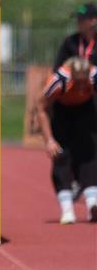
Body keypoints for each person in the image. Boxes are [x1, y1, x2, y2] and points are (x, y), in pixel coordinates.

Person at [35, 57, 97, 224]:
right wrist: (49, 140)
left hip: (86, 110)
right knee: (61, 156)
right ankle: (67, 209)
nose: (82, 87)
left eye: (85, 82)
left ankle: (93, 204)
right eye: (78, 82)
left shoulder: (94, 76)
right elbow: (41, 108)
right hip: (61, 111)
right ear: (72, 76)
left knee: (89, 154)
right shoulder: (59, 80)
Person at [54, 2, 97, 69]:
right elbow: (57, 69)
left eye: (82, 19)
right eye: (78, 19)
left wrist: (90, 69)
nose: (78, 22)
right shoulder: (70, 42)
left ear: (93, 21)